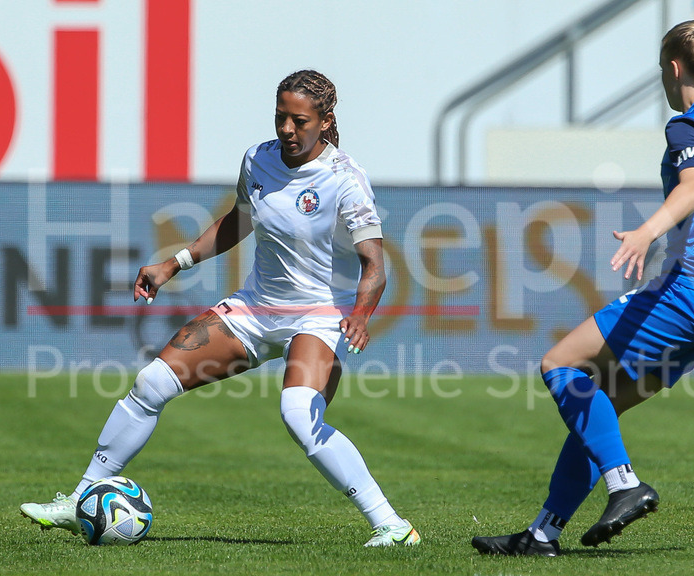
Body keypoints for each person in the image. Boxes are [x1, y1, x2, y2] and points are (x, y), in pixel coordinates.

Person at [21, 70, 421, 548]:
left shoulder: (345, 180)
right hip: (254, 310)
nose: (287, 130)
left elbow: (374, 263)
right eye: (281, 117)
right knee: (151, 383)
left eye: (299, 120)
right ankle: (81, 498)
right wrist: (174, 263)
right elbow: (239, 220)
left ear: (325, 121)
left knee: (298, 414)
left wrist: (360, 313)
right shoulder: (258, 159)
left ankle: (392, 525)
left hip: (318, 317)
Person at [472, 20, 694, 556]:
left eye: (661, 70)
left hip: (691, 292)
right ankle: (543, 534)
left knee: (560, 365)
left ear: (674, 68)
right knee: (598, 406)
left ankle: (624, 484)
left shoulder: (687, 125)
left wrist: (646, 232)